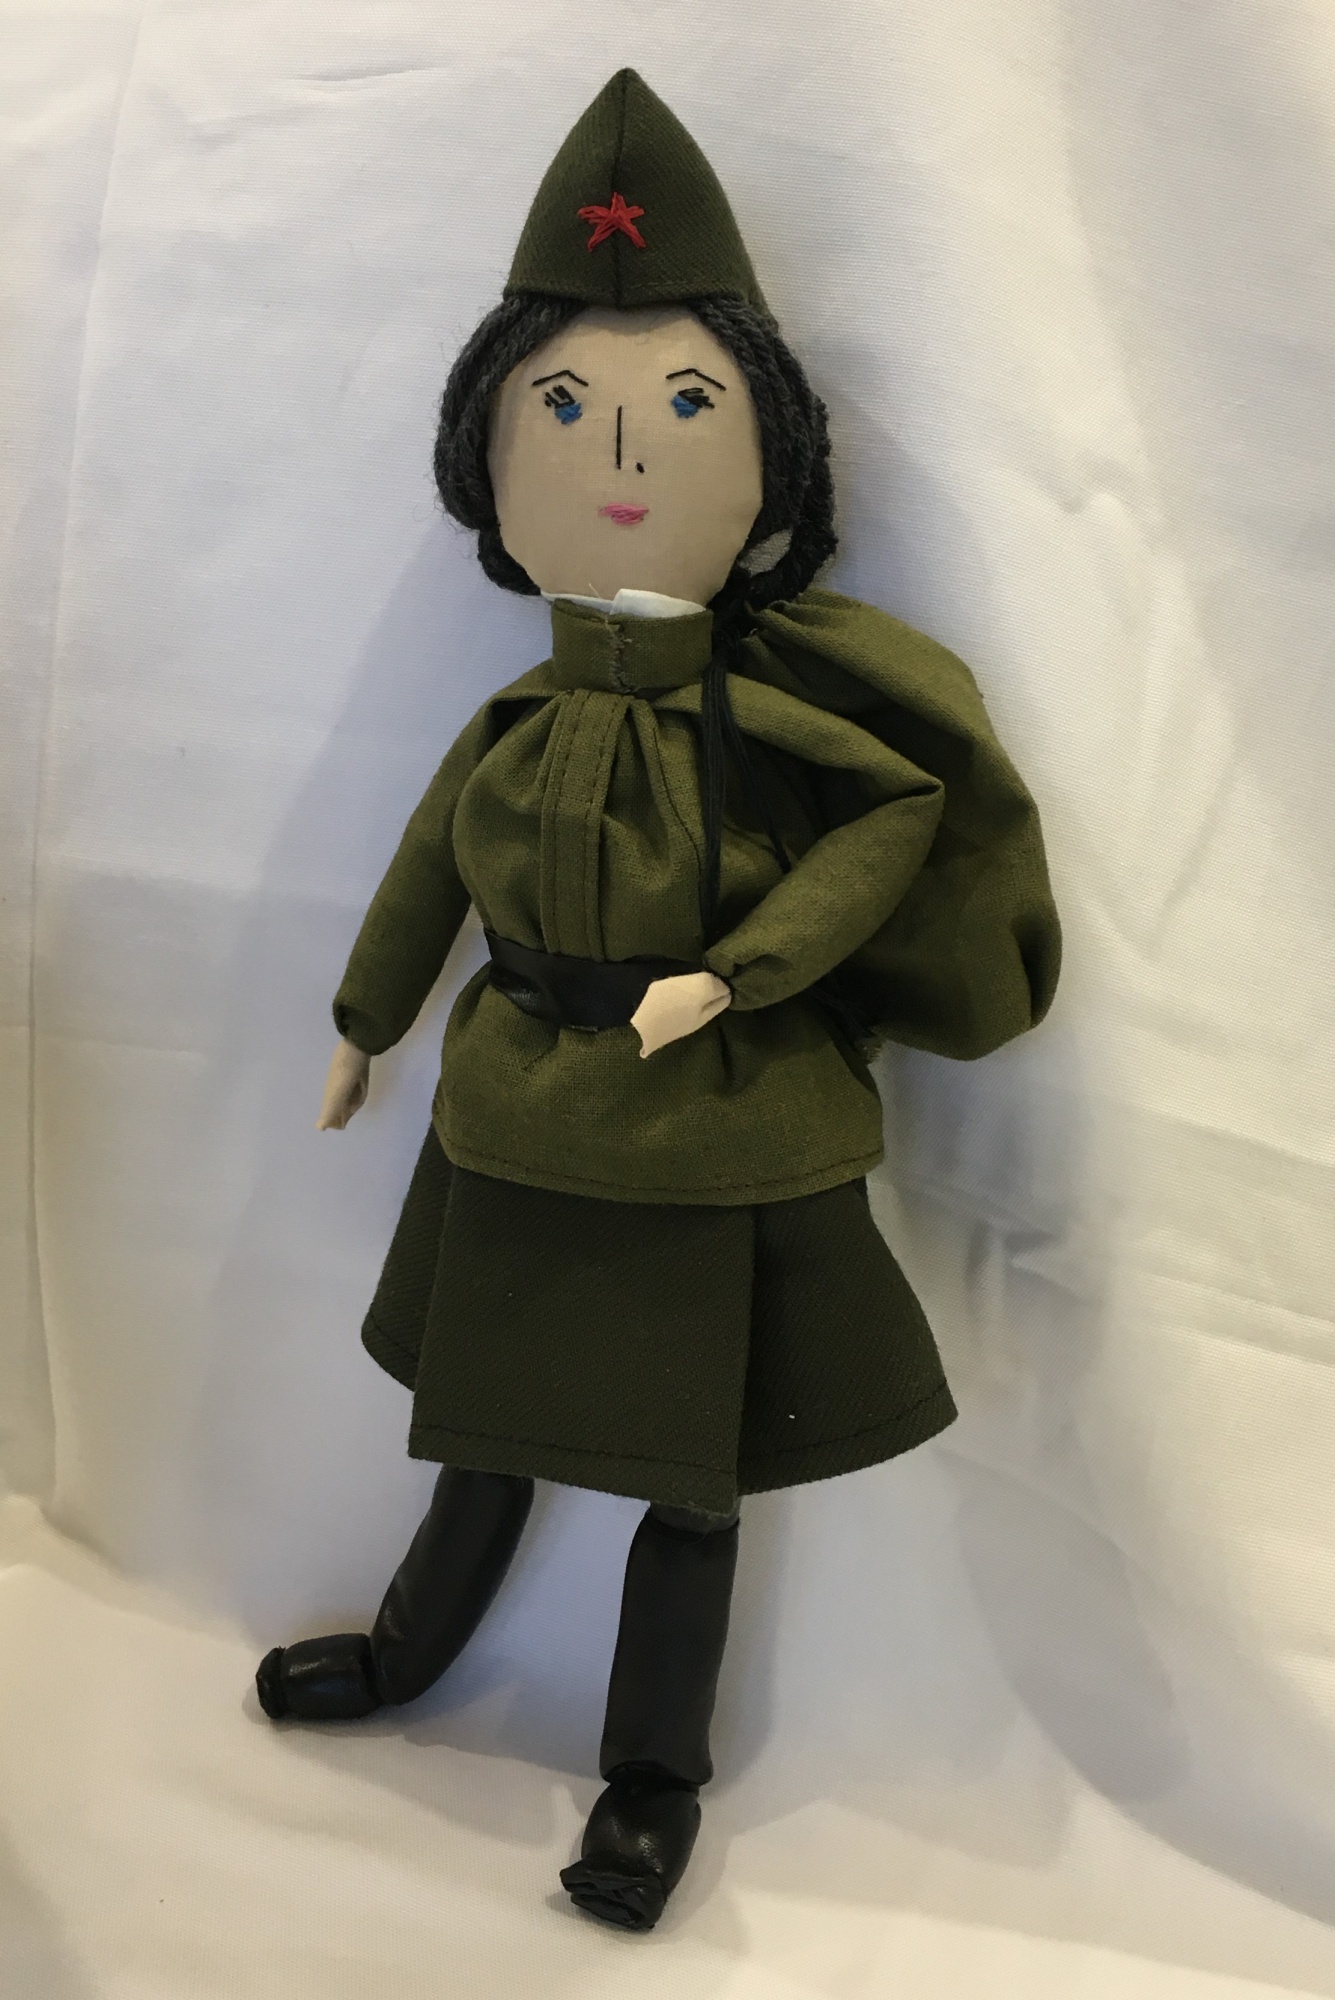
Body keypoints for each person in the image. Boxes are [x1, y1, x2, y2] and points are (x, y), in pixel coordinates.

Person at [255, 69, 1061, 1932]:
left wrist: (742, 972)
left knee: (696, 1482)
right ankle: (408, 1651)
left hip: (717, 1133)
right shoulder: (515, 721)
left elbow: (894, 821)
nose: (622, 449)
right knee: (482, 1423)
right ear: (486, 461)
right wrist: (365, 1022)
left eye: (690, 407)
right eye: (562, 408)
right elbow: (431, 867)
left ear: (773, 463)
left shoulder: (765, 717)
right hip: (526, 1115)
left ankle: (652, 1779)